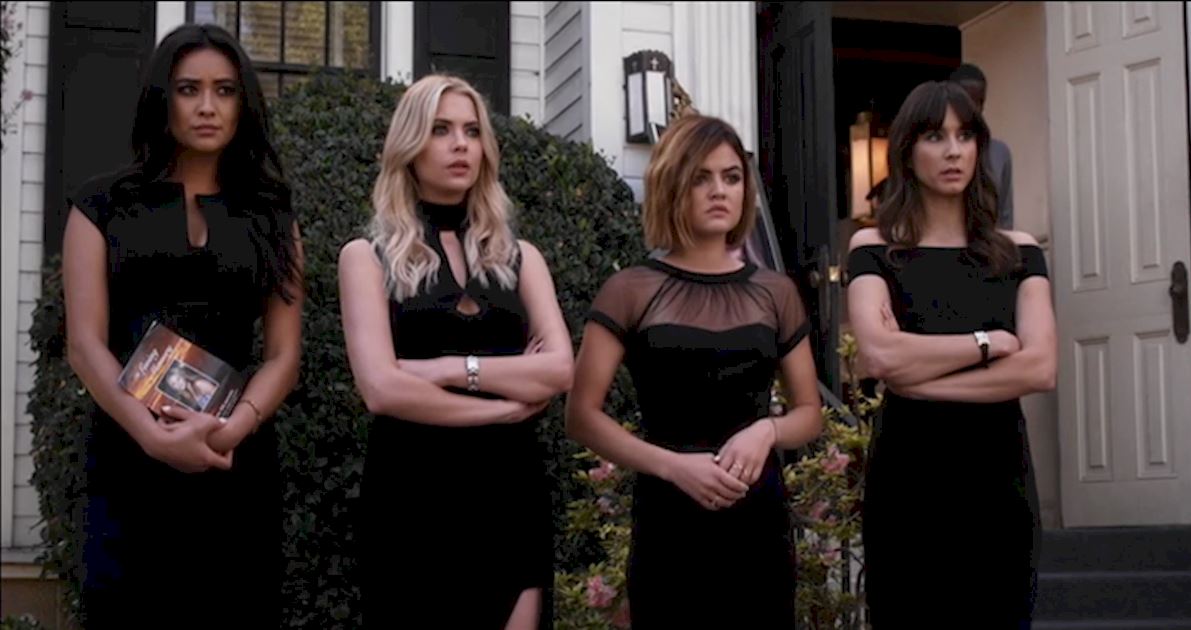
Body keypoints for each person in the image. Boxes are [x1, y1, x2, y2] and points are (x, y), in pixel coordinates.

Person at [62, 23, 303, 628]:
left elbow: (283, 354)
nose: (207, 106)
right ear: (161, 97)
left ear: (243, 102)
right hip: (127, 462)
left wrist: (230, 430)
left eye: (225, 90)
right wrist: (151, 436)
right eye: (188, 89)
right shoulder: (100, 206)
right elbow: (85, 343)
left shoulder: (273, 214)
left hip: (235, 464)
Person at [566, 114, 824, 628]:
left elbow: (810, 413)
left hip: (757, 518)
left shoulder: (776, 292)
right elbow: (581, 416)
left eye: (731, 177)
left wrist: (766, 431)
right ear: (673, 184)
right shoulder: (631, 289)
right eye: (701, 177)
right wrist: (672, 466)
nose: (719, 191)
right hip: (669, 517)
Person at [338, 74, 573, 629]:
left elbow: (560, 369)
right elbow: (381, 389)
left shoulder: (521, 258)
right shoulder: (366, 257)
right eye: (441, 130)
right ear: (410, 145)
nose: (460, 144)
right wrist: (502, 407)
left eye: (471, 131)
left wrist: (445, 369)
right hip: (411, 499)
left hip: (510, 494)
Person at [846, 80, 1057, 627]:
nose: (953, 151)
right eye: (935, 136)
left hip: (998, 479)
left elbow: (1039, 367)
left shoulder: (1019, 252)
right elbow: (880, 356)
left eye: (965, 136)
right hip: (909, 480)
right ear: (907, 150)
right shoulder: (874, 249)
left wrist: (920, 381)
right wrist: (987, 344)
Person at [950, 62, 1015, 229]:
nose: (972, 108)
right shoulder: (939, 151)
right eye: (965, 100)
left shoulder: (999, 152)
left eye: (979, 101)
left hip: (989, 242)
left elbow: (1005, 215)